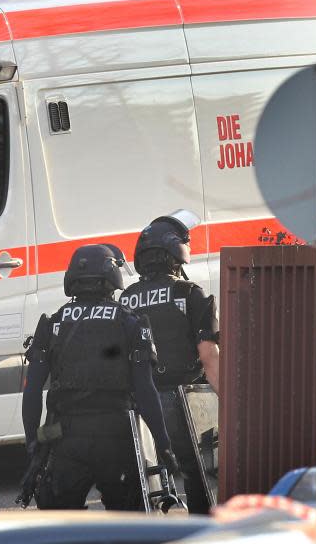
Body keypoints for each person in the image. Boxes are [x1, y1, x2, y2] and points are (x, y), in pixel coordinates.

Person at [21, 243, 178, 510]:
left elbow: (32, 390)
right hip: (117, 435)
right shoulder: (131, 322)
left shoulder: (52, 323)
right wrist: (164, 447)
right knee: (127, 526)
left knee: (60, 527)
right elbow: (145, 389)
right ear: (111, 277)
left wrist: (33, 443)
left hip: (64, 437)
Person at [119, 212, 220, 514]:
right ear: (176, 252)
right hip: (185, 401)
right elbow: (208, 355)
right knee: (199, 477)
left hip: (139, 404)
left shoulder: (126, 299)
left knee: (147, 481)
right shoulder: (189, 293)